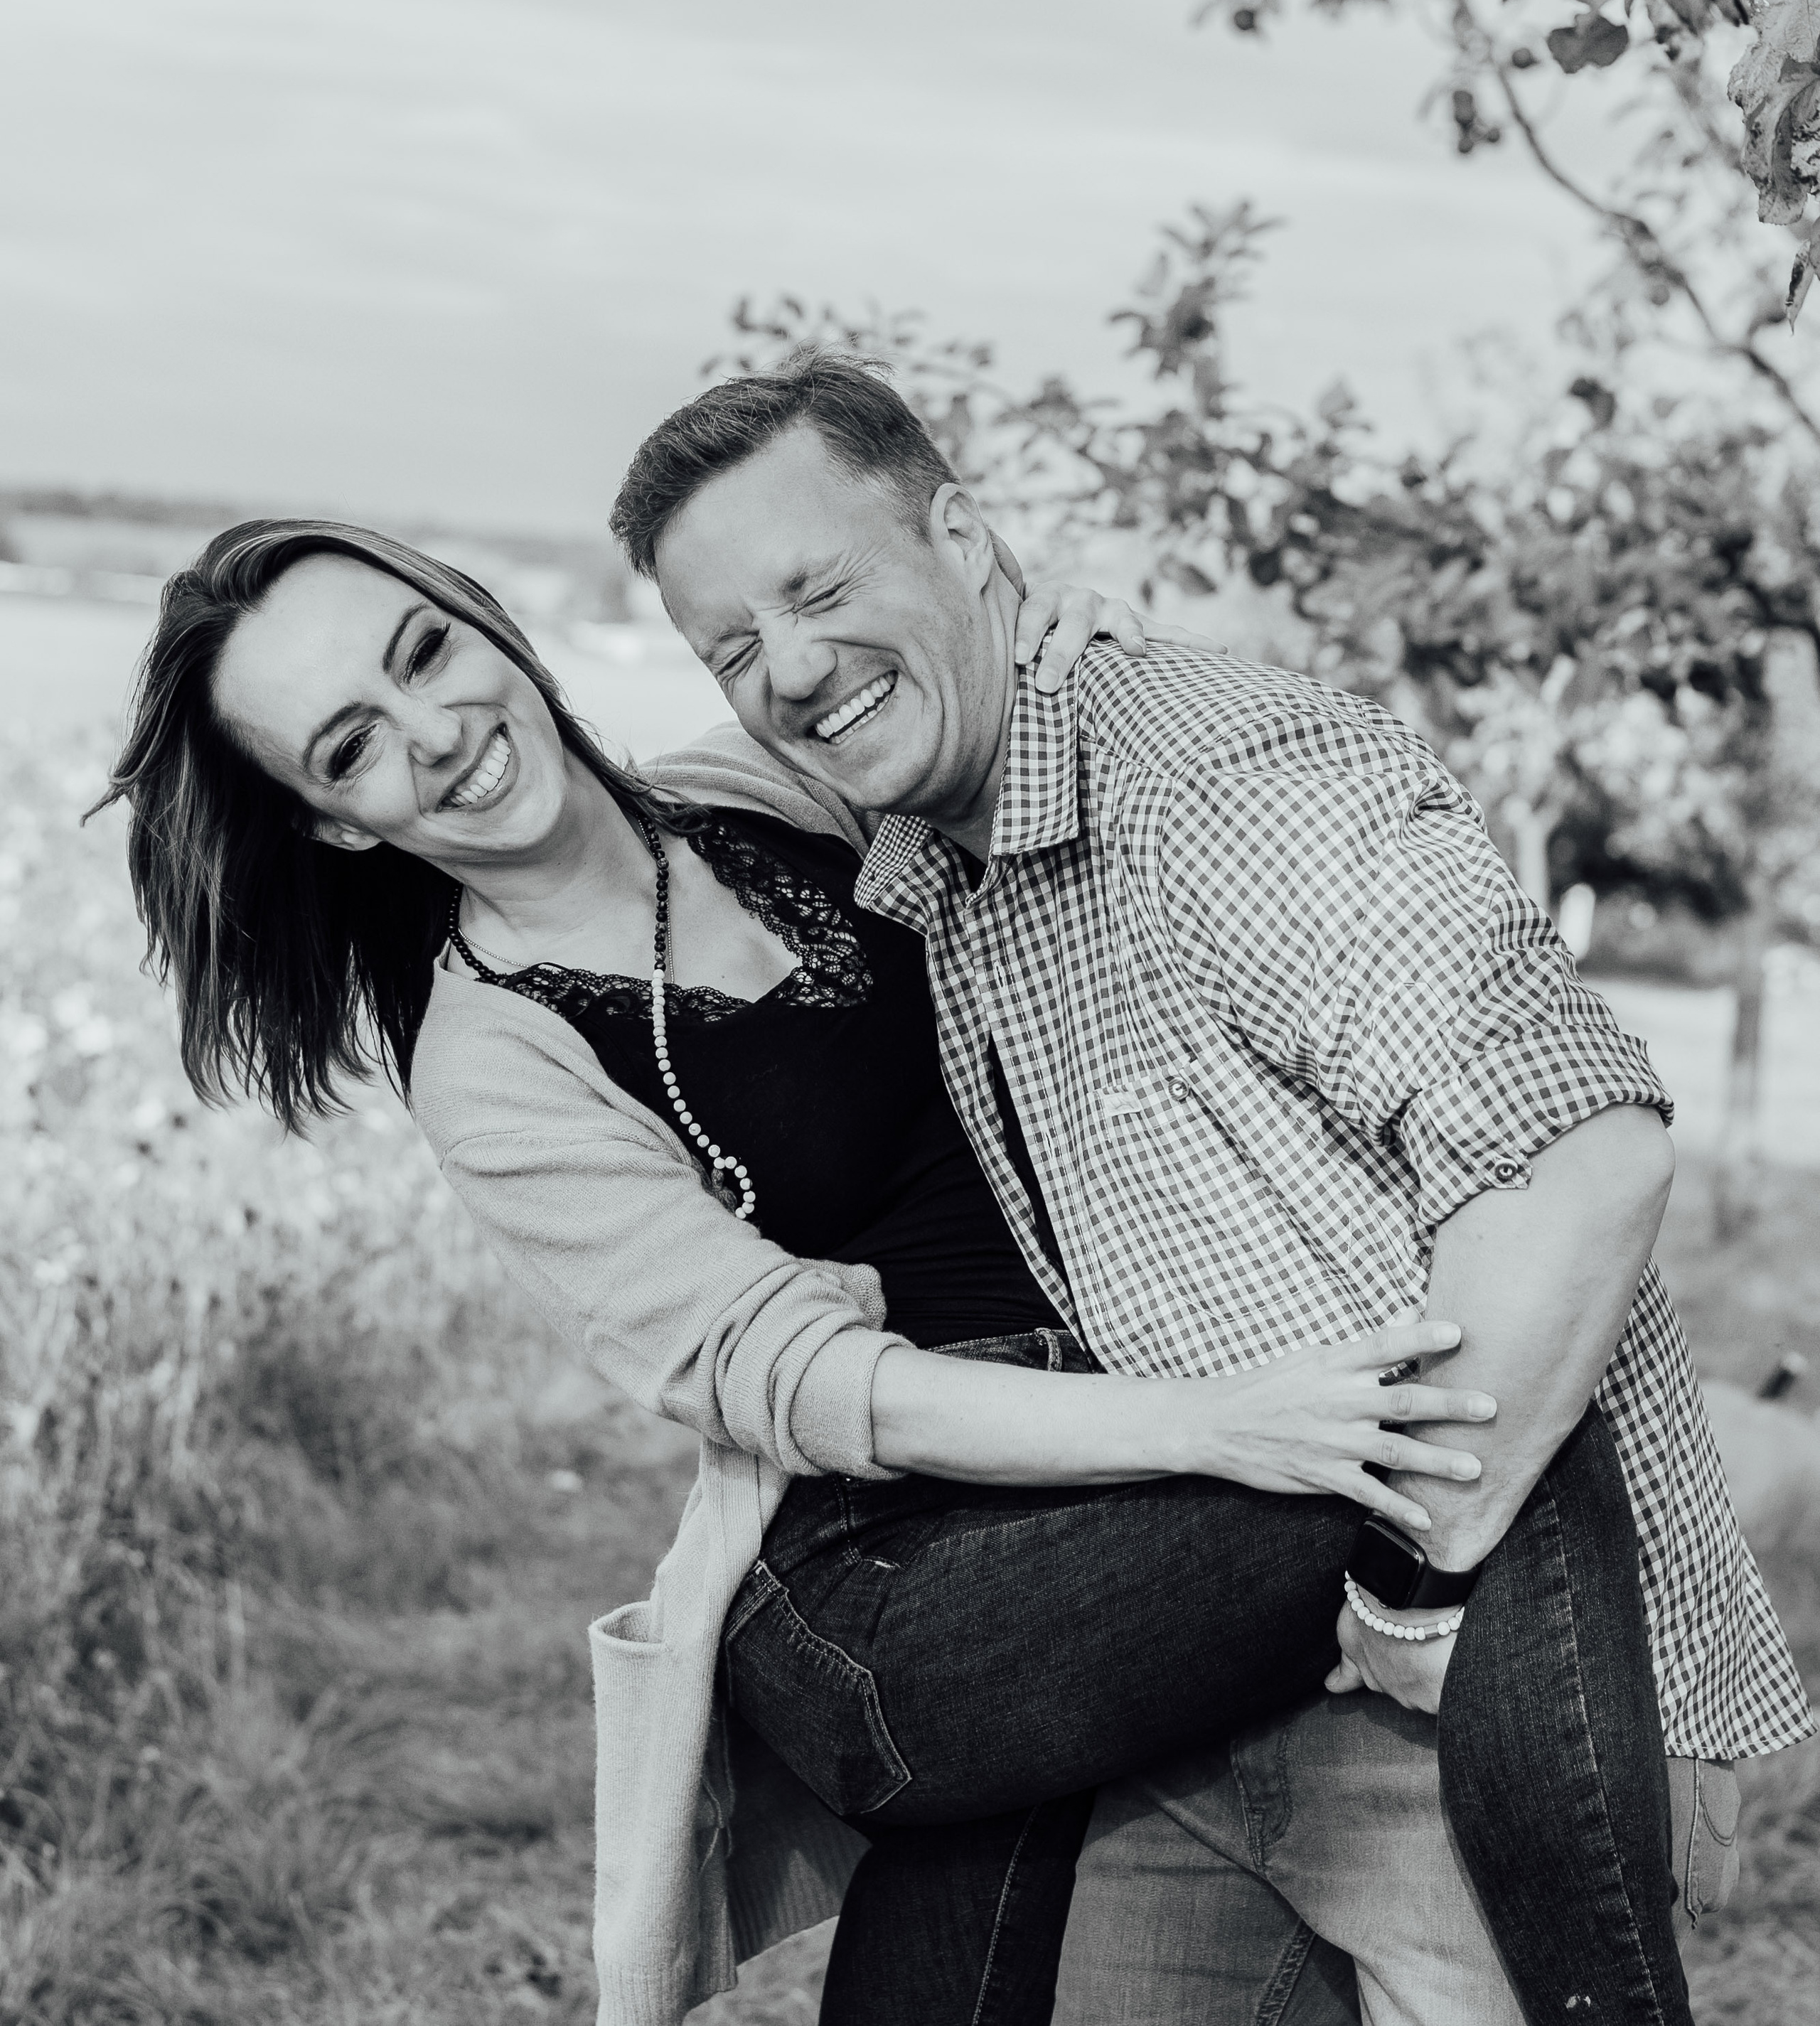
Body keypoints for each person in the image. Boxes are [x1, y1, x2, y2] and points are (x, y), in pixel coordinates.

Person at [97, 503, 1784, 2026]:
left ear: (475, 613)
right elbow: (816, 1386)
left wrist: (1044, 635)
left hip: (1104, 1502)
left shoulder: (765, 795)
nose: (439, 731)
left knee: (1455, 1397)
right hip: (891, 1591)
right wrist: (1214, 1424)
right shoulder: (493, 1057)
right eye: (355, 746)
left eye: (424, 652)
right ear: (329, 828)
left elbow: (959, 723)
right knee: (1444, 1425)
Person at [614, 351, 1814, 2024]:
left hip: (1444, 1673)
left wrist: (1412, 1586)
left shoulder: (1214, 784)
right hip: (1201, 1683)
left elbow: (1574, 1155)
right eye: (731, 646)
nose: (791, 669)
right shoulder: (947, 854)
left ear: (962, 538)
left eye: (818, 587)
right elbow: (628, 824)